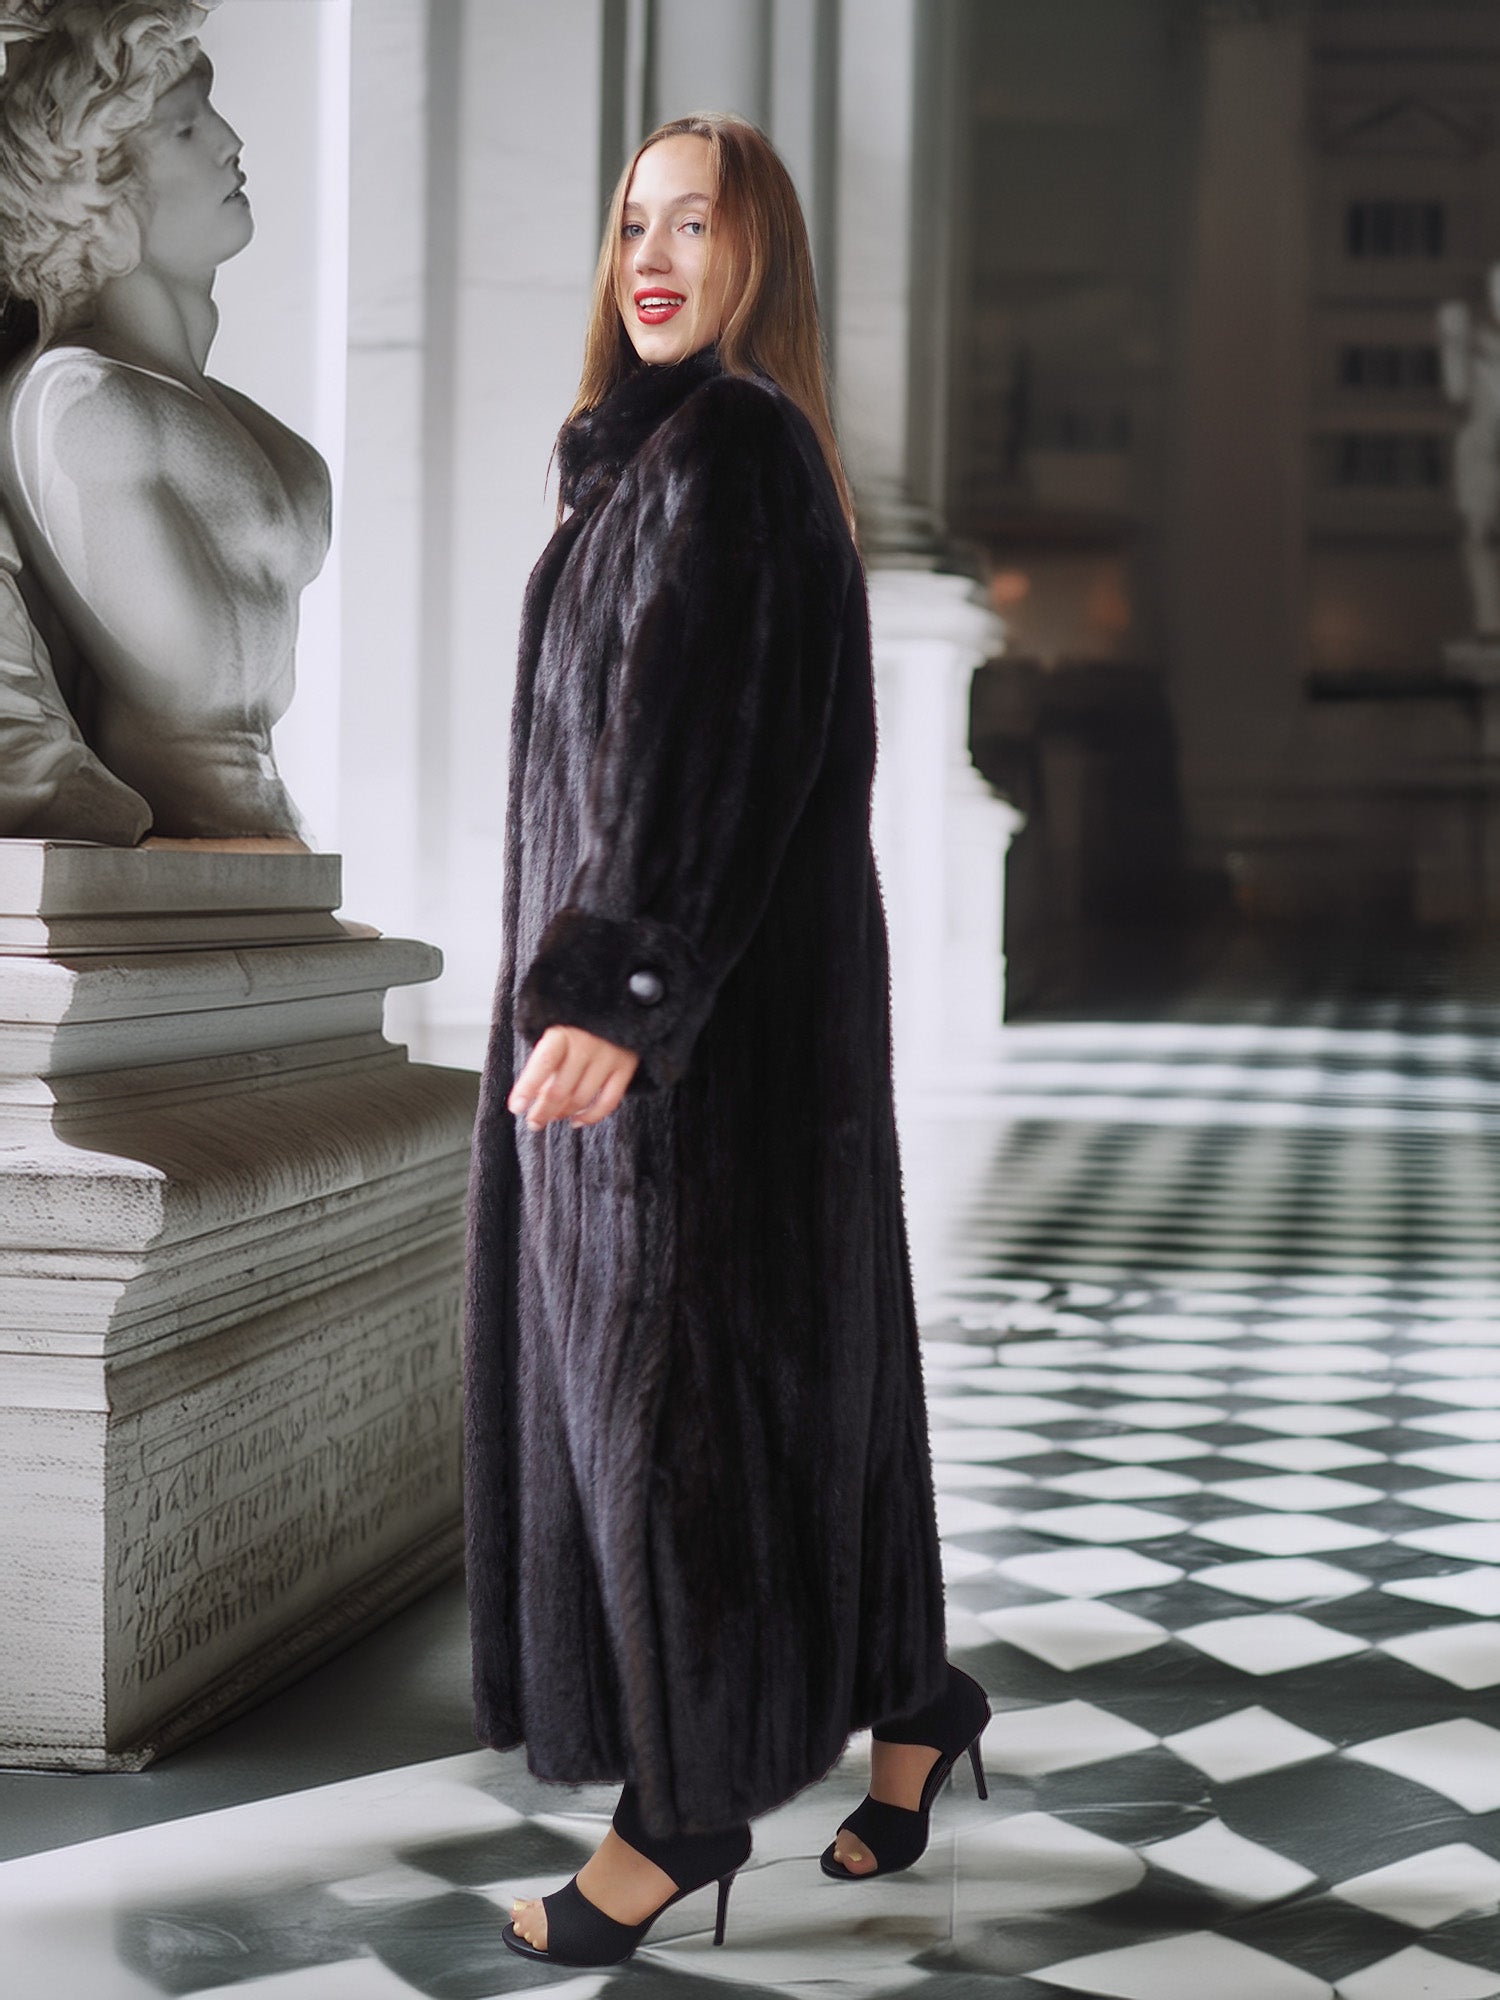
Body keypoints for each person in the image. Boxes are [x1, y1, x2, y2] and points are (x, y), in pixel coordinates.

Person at [462, 112, 991, 1972]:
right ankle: (914, 1703)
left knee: (672, 1416)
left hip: (695, 1051)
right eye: (633, 224)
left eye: (697, 222)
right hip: (735, 1041)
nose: (655, 255)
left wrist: (617, 996)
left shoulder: (738, 453)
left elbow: (707, 753)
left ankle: (678, 1813)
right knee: (797, 1393)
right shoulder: (649, 468)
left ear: (759, 256)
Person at [0, 0, 328, 845]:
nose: (231, 141)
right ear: (98, 194)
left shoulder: (256, 433)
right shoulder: (81, 408)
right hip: (188, 855)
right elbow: (190, 699)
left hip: (271, 869)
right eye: (184, 129)